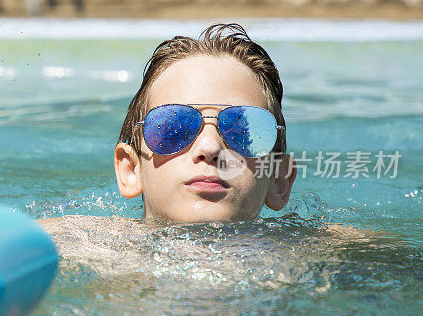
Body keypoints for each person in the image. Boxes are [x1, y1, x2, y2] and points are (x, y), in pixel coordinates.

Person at [39, 23, 298, 264]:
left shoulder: (314, 253)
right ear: (130, 170)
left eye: (242, 130)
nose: (209, 148)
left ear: (279, 180)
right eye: (174, 126)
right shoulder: (67, 245)